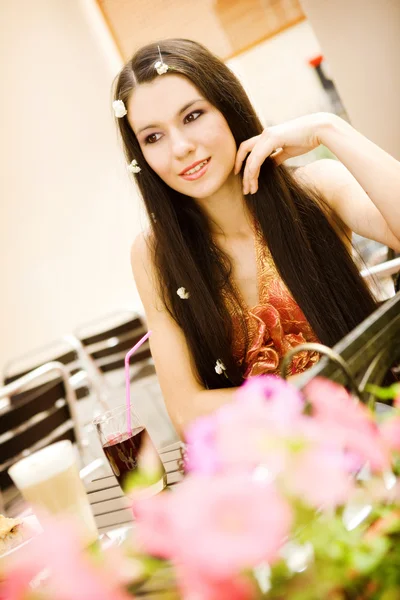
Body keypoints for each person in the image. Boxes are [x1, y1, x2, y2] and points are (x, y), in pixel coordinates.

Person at [112, 39, 400, 436]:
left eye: (192, 116)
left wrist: (327, 128)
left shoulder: (316, 188)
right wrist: (306, 402)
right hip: (276, 463)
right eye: (153, 137)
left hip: (376, 430)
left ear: (228, 108)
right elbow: (186, 411)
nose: (181, 147)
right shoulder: (153, 255)